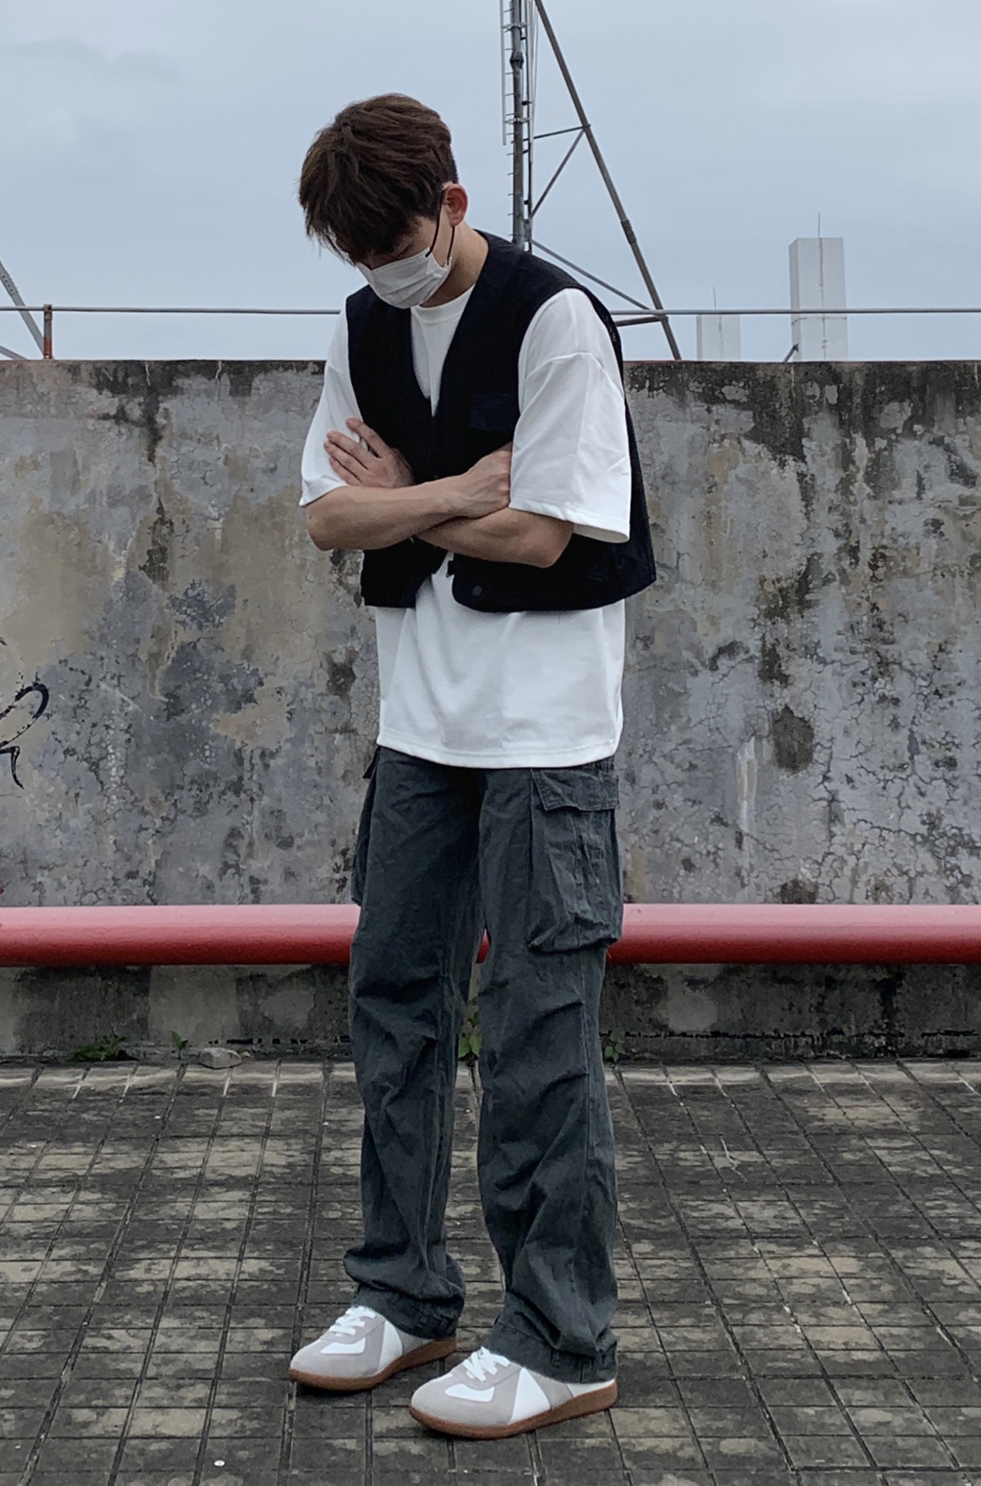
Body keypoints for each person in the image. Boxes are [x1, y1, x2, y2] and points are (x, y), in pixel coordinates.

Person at [288, 94, 656, 1440]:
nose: (381, 273)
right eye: (358, 256)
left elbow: (549, 533)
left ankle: (561, 1338)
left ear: (449, 202)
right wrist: (450, 494)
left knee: (540, 1033)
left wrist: (401, 501)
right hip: (419, 727)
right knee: (394, 1004)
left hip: (544, 739)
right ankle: (402, 1293)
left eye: (395, 246)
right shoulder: (362, 327)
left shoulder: (556, 321)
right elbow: (328, 515)